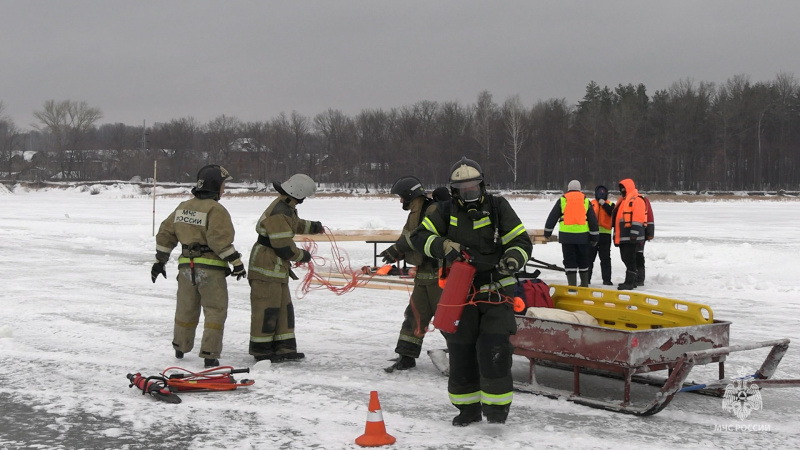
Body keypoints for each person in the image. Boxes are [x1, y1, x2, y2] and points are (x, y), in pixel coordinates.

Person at [410, 157, 532, 426]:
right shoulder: (444, 211)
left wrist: (513, 257)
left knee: (494, 349)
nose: (469, 193)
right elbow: (419, 237)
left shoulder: (499, 208)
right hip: (460, 296)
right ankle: (467, 409)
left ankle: (497, 411)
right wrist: (444, 246)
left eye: (473, 187)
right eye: (463, 189)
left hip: (497, 293)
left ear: (482, 186)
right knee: (461, 351)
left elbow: (522, 241)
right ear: (454, 191)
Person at [151, 164, 246, 368]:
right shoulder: (216, 209)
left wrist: (160, 261)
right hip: (211, 271)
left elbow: (165, 234)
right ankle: (210, 354)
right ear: (215, 185)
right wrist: (236, 262)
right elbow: (219, 240)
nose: (224, 189)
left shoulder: (182, 207)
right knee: (215, 311)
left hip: (186, 270)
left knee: (185, 309)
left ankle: (180, 346)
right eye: (223, 185)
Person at [247, 173, 324, 363]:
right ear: (296, 193)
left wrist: (314, 227)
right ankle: (262, 350)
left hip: (276, 267)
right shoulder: (279, 212)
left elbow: (294, 225)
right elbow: (283, 246)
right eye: (303, 197)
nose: (303, 200)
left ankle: (285, 347)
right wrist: (302, 256)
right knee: (267, 309)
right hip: (266, 265)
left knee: (283, 308)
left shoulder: (286, 207)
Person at [381, 176, 443, 373]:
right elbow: (407, 236)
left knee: (445, 319)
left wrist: (397, 248)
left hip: (438, 277)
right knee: (414, 315)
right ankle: (406, 355)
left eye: (401, 197)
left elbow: (418, 236)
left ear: (409, 195)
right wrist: (395, 252)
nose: (400, 201)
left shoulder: (432, 210)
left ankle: (464, 356)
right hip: (423, 276)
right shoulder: (415, 212)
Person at [543, 180, 599, 287]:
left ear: (568, 188)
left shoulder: (563, 200)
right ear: (580, 189)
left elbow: (552, 217)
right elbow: (592, 221)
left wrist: (547, 232)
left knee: (569, 260)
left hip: (566, 237)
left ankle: (572, 285)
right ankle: (584, 285)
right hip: (583, 237)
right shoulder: (585, 201)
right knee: (583, 259)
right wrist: (595, 237)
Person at [611, 178, 647, 290]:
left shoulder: (637, 200)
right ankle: (631, 280)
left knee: (630, 258)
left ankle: (630, 282)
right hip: (623, 236)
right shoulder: (623, 201)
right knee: (626, 258)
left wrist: (634, 234)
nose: (622, 190)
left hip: (631, 237)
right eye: (620, 188)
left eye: (623, 188)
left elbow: (638, 218)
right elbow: (618, 221)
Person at [588, 185, 615, 286]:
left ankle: (607, 280)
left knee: (605, 259)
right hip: (592, 234)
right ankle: (586, 279)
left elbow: (613, 213)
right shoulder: (590, 204)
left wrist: (604, 204)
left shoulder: (611, 204)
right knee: (589, 258)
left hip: (605, 235)